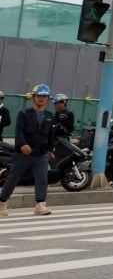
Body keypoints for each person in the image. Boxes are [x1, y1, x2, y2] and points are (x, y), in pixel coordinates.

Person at [0, 85, 56, 217]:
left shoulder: (49, 116)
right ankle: (2, 202)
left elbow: (51, 134)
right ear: (33, 97)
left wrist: (50, 149)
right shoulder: (24, 113)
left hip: (41, 154)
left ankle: (40, 205)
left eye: (44, 96)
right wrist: (22, 144)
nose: (41, 98)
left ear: (48, 98)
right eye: (39, 96)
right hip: (23, 154)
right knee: (13, 178)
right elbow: (18, 130)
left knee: (42, 178)